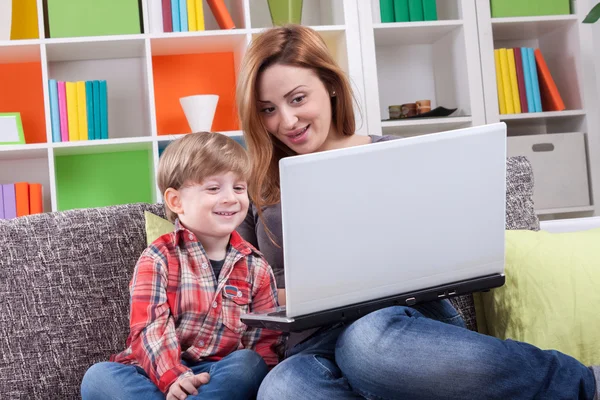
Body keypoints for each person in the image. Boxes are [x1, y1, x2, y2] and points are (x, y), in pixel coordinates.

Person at [234, 24, 600, 400]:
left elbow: (440, 248)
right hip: (311, 343)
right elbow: (241, 285)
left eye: (297, 99)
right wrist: (292, 291)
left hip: (403, 327)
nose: (287, 121)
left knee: (366, 345)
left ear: (329, 84)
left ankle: (585, 384)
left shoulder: (391, 154)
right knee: (282, 388)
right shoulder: (252, 188)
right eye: (268, 110)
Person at [80, 132, 285, 400]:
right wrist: (173, 377)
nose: (231, 198)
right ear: (176, 201)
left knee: (250, 364)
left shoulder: (256, 267)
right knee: (98, 377)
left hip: (217, 374)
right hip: (154, 374)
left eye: (238, 188)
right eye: (214, 188)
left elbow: (265, 342)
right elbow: (149, 329)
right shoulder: (157, 258)